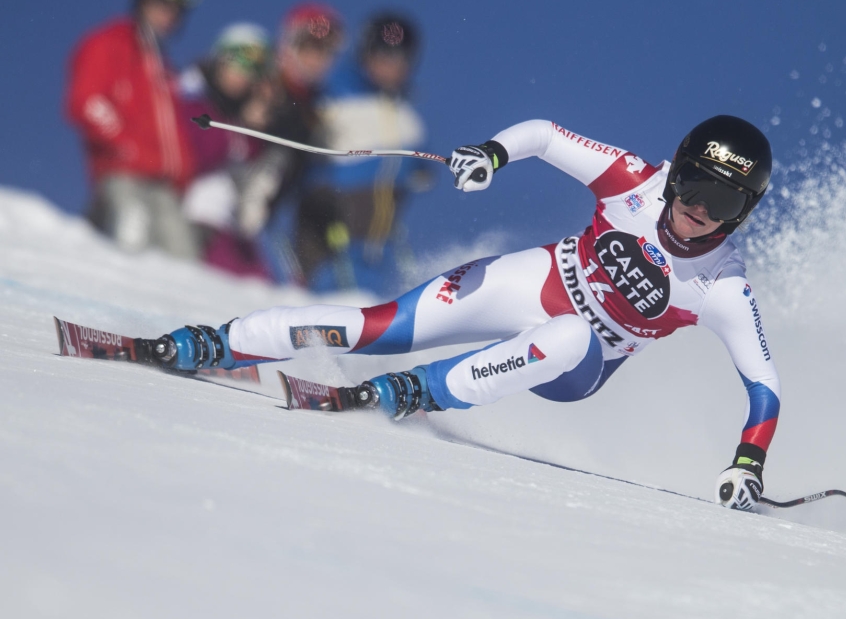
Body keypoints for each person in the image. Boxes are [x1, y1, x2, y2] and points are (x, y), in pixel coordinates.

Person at [138, 116, 780, 511]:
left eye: (723, 203)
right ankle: (215, 343)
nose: (702, 211)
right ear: (675, 178)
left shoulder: (722, 283)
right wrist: (490, 154)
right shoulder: (633, 178)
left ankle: (421, 392)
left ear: (742, 213)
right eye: (695, 187)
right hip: (537, 279)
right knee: (374, 326)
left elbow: (764, 387)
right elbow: (546, 136)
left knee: (567, 334)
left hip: (576, 363)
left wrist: (748, 465)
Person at [294, 12, 435, 296]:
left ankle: (357, 298)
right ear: (366, 52)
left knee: (366, 248)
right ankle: (349, 301)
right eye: (383, 52)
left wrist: (419, 168)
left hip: (373, 202)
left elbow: (414, 158)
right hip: (336, 190)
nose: (391, 64)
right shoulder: (337, 88)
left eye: (401, 56)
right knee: (341, 257)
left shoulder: (404, 113)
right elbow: (307, 123)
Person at [65, 0, 199, 259]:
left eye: (176, 10)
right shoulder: (111, 42)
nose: (168, 15)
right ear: (142, 2)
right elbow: (87, 100)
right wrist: (124, 145)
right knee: (130, 233)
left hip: (166, 188)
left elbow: (174, 132)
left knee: (184, 258)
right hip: (123, 174)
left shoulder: (163, 68)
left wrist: (184, 174)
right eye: (161, 4)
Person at [239, 2, 345, 283]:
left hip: (273, 214)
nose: (317, 59)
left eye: (325, 51)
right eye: (310, 48)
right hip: (233, 197)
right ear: (290, 45)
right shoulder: (263, 80)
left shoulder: (317, 105)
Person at [178, 23, 275, 279]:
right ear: (219, 60)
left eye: (252, 69)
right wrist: (240, 129)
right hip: (193, 219)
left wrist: (252, 128)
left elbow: (248, 168)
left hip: (229, 226)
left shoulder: (237, 116)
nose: (242, 75)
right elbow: (198, 155)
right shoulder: (191, 98)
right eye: (236, 63)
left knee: (261, 282)